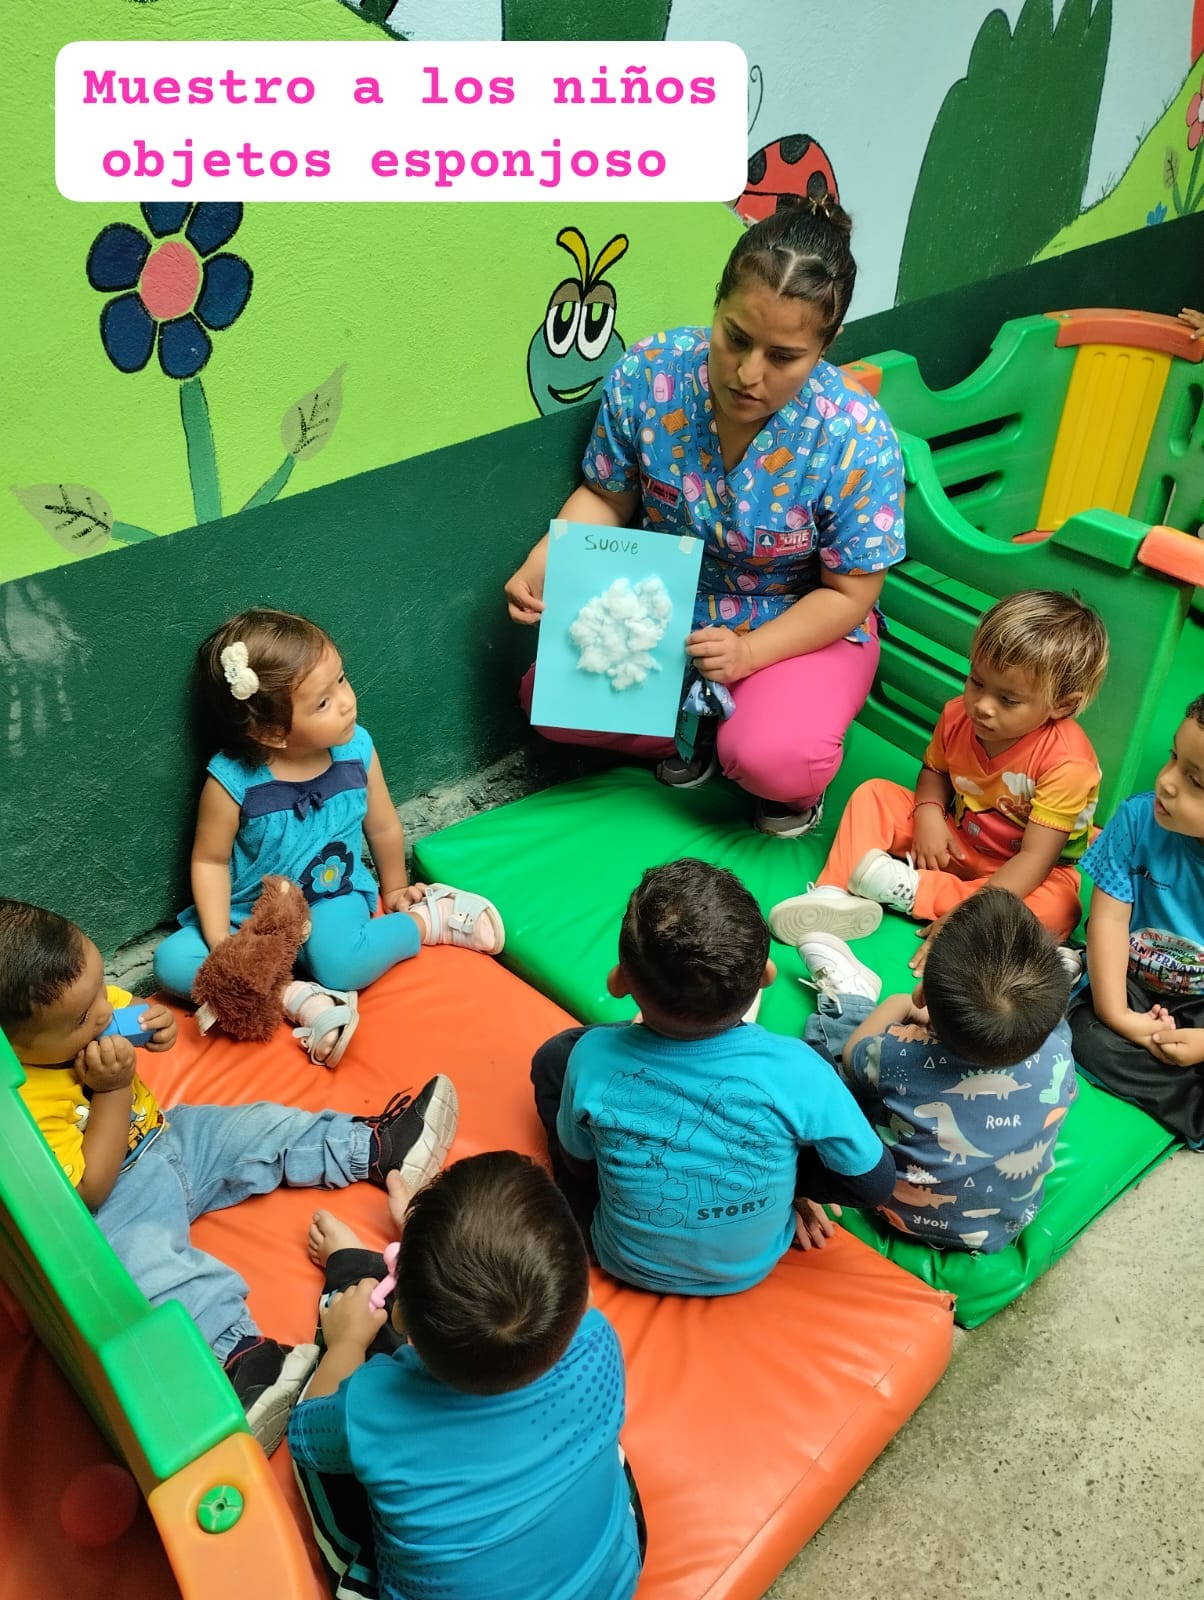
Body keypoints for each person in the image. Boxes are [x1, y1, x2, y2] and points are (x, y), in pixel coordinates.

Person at [505, 194, 907, 839]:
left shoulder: (854, 435)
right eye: (735, 338)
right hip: (671, 610)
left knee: (779, 760)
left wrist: (749, 653)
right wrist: (544, 562)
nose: (748, 373)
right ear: (716, 305)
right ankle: (702, 730)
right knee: (546, 700)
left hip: (798, 625)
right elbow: (607, 495)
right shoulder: (650, 372)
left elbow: (850, 594)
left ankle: (761, 749)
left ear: (826, 345)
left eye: (784, 356)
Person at [0, 896, 460, 1453]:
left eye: (101, 987)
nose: (104, 1011)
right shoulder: (24, 1104)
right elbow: (89, 1190)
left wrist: (156, 1025)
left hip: (170, 1136)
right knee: (150, 1273)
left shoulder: (92, 1009)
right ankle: (244, 1365)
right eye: (81, 1019)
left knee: (258, 1128)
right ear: (14, 1046)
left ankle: (377, 1147)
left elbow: (132, 1013)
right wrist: (114, 1088)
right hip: (118, 1199)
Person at [153, 608, 504, 1065]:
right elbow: (210, 861)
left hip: (328, 896)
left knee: (341, 965)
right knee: (172, 962)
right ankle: (297, 998)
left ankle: (428, 921)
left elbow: (382, 825)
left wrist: (395, 890)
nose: (345, 701)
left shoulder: (356, 751)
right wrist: (225, 943)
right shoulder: (232, 781)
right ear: (271, 731)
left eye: (341, 680)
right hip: (247, 914)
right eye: (322, 702)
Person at [529, 859, 894, 1295]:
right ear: (766, 977)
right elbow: (873, 1184)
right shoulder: (798, 1068)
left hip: (620, 1258)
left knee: (554, 1057)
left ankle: (672, 1028)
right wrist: (785, 1182)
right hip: (753, 1265)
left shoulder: (590, 1058)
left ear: (619, 982)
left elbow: (580, 1164)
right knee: (809, 1090)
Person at [289, 1151, 643, 1600]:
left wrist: (346, 1342)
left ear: (400, 1313)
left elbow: (305, 1437)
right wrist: (439, 1243)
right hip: (612, 1580)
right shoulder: (597, 1340)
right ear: (585, 1294)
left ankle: (350, 1270)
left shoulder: (374, 1408)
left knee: (332, 1455)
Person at [768, 589, 1109, 972]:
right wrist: (929, 813)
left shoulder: (1067, 763)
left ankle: (909, 889)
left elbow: (1036, 859)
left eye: (1008, 700)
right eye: (976, 682)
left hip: (1027, 871)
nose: (982, 705)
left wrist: (968, 914)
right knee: (875, 795)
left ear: (1062, 704)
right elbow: (936, 771)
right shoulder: (958, 716)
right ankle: (833, 894)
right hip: (956, 841)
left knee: (1060, 909)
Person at [794, 892, 1076, 1252]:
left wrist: (899, 1005)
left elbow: (853, 1056)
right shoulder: (1059, 1053)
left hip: (895, 1212)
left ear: (922, 994)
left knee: (833, 1057)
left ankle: (852, 998)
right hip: (1005, 1223)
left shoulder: (898, 1057)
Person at [1068, 695, 1204, 1146]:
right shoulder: (1136, 820)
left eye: (1195, 781)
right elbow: (1107, 923)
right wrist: (1119, 1016)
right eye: (1173, 757)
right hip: (1129, 982)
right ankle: (1189, 1102)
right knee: (1084, 1036)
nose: (1166, 781)